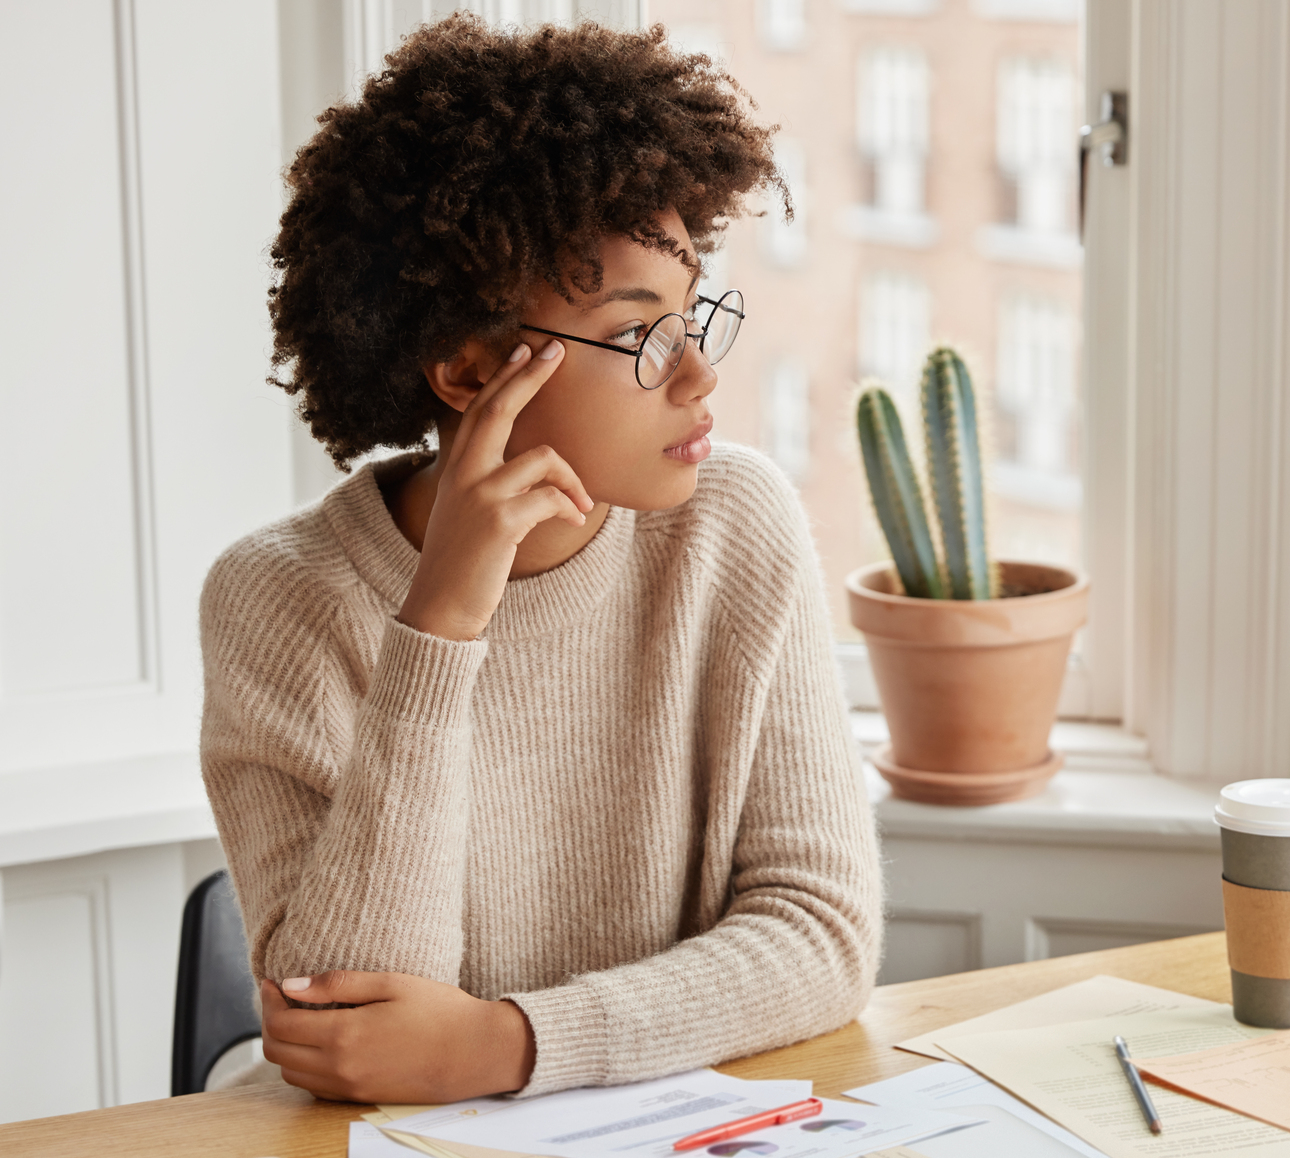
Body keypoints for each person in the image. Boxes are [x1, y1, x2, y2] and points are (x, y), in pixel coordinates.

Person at [199, 15, 881, 1103]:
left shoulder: (733, 524)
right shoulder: (280, 597)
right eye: (641, 332)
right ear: (471, 374)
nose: (698, 376)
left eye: (694, 310)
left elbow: (818, 933)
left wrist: (505, 1044)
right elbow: (348, 1019)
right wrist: (439, 627)